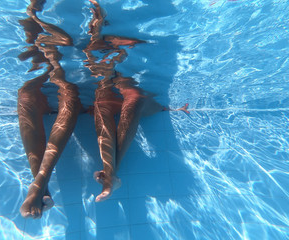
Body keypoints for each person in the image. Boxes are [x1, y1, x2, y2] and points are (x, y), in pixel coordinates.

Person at [84, 0, 189, 202]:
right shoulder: (104, 44)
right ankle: (110, 175)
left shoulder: (128, 41)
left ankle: (111, 174)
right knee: (102, 104)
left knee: (133, 99)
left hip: (145, 102)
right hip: (119, 87)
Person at [18, 0, 82, 218]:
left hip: (43, 69)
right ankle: (39, 186)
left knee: (60, 94)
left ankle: (39, 186)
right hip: (44, 68)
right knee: (64, 93)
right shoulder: (35, 43)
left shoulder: (33, 43)